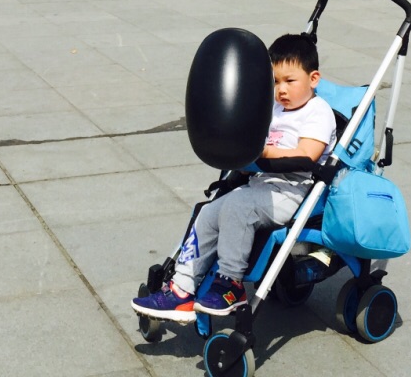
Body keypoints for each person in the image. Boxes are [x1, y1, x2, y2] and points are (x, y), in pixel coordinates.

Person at [131, 33, 336, 321]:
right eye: (275, 82)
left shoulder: (318, 112)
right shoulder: (275, 108)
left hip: (292, 191)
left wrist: (260, 152)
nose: (281, 90)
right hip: (259, 185)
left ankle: (231, 283)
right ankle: (181, 289)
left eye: (290, 81)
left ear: (313, 79)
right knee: (208, 213)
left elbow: (307, 154)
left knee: (238, 210)